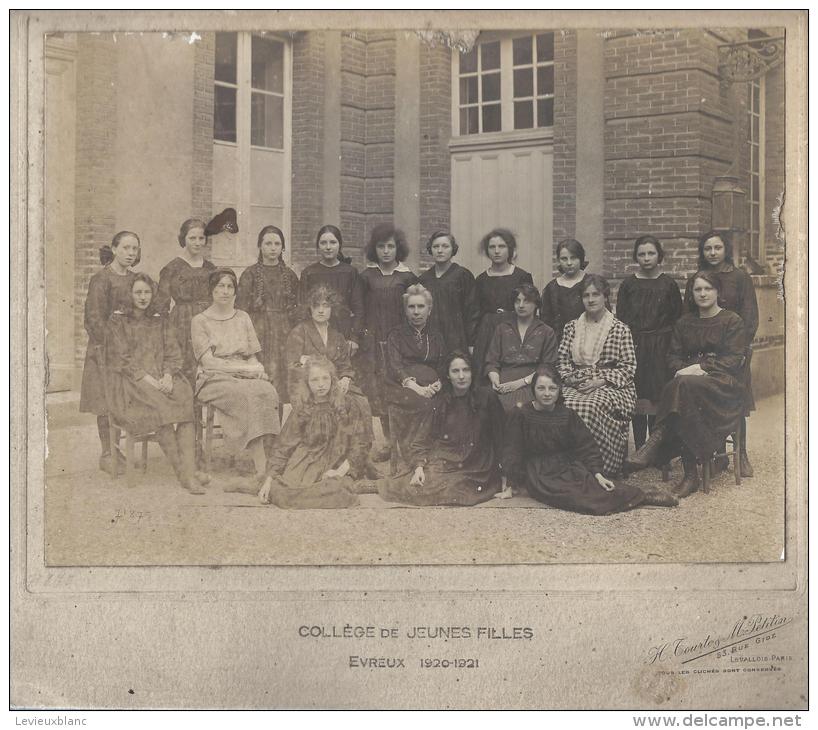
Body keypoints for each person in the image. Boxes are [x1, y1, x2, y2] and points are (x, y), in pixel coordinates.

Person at [625, 271, 747, 498]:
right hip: (689, 387)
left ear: (718, 291)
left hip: (722, 387)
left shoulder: (732, 320)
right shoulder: (684, 323)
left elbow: (734, 358)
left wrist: (701, 368)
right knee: (683, 390)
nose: (702, 294)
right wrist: (685, 370)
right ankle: (689, 474)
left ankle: (661, 445)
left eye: (707, 289)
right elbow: (672, 356)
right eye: (697, 289)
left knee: (681, 388)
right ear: (691, 294)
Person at [503, 365, 677, 514]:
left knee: (594, 485)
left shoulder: (567, 414)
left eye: (552, 388)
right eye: (541, 388)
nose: (547, 394)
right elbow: (513, 450)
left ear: (559, 390)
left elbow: (586, 445)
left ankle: (642, 494)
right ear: (533, 389)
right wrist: (511, 483)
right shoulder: (521, 414)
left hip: (566, 466)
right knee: (573, 497)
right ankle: (640, 497)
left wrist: (597, 473)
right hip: (540, 473)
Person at [105, 274, 205, 494]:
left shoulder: (160, 320)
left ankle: (189, 469)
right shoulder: (117, 321)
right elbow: (121, 358)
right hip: (131, 383)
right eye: (138, 292)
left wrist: (168, 375)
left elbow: (173, 352)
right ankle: (185, 475)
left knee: (185, 399)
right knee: (161, 408)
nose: (143, 297)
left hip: (161, 378)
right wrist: (147, 379)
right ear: (129, 294)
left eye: (147, 292)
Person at [377, 351, 506, 506]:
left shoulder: (487, 398)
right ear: (448, 376)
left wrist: (506, 474)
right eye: (455, 371)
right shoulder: (441, 402)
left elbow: (502, 437)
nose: (461, 376)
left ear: (472, 373)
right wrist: (419, 467)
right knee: (420, 483)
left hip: (477, 465)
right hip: (447, 460)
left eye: (466, 370)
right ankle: (378, 486)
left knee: (455, 489)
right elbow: (422, 439)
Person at [190, 268, 281, 486]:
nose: (225, 291)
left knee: (268, 391)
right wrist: (245, 371)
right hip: (213, 377)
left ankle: (274, 460)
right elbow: (208, 362)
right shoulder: (200, 321)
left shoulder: (243, 317)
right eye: (220, 286)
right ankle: (262, 468)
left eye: (230, 286)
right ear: (211, 290)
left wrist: (257, 369)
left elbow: (251, 356)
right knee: (245, 394)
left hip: (244, 371)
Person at [683, 230, 758, 476]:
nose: (712, 253)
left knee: (735, 400)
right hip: (703, 353)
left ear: (725, 250)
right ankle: (712, 453)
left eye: (717, 248)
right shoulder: (696, 279)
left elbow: (750, 317)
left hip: (732, 352)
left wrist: (737, 349)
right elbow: (688, 316)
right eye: (707, 249)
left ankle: (741, 453)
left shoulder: (739, 277)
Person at [257, 357, 376, 509]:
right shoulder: (303, 407)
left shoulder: (347, 404)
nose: (321, 384)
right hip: (307, 460)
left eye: (325, 378)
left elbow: (360, 443)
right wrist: (269, 481)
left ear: (333, 379)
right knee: (284, 491)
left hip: (336, 462)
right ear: (307, 383)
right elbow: (284, 445)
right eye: (314, 380)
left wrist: (340, 472)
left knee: (337, 491)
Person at [286, 285, 377, 477]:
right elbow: (292, 365)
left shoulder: (337, 336)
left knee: (360, 403)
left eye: (325, 306)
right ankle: (329, 458)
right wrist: (310, 366)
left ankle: (360, 458)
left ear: (331, 309)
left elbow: (345, 365)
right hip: (309, 386)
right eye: (316, 305)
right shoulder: (299, 332)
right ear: (309, 309)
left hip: (334, 384)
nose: (321, 310)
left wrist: (345, 378)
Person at [558, 274, 637, 477]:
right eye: (586, 295)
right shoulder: (571, 327)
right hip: (577, 384)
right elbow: (562, 361)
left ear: (605, 297)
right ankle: (567, 467)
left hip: (612, 385)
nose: (591, 299)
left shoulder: (619, 329)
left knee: (589, 406)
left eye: (596, 294)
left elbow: (628, 367)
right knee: (561, 404)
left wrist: (599, 380)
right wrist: (569, 379)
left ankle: (600, 468)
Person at [79, 230, 140, 475]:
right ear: (114, 249)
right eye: (125, 248)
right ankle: (108, 452)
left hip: (133, 351)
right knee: (105, 401)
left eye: (134, 249)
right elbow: (93, 318)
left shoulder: (137, 279)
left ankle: (124, 449)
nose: (130, 253)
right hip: (104, 350)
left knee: (127, 398)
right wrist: (112, 346)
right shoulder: (101, 279)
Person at [615, 235, 684, 449]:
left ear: (659, 255)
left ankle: (654, 448)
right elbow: (622, 317)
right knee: (637, 394)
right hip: (634, 344)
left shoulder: (668, 284)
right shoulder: (628, 284)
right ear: (636, 256)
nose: (646, 258)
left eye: (651, 253)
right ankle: (639, 446)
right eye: (642, 254)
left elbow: (676, 318)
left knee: (657, 395)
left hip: (661, 346)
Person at [358, 223, 419, 420]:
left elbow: (415, 308)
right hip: (372, 339)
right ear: (374, 249)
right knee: (375, 384)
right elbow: (359, 309)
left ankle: (398, 438)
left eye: (390, 246)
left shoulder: (407, 277)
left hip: (398, 338)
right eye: (381, 246)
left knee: (398, 381)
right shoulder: (366, 276)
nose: (386, 251)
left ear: (398, 248)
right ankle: (382, 438)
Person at [236, 225, 299, 400]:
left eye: (277, 244)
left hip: (284, 334)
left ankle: (276, 427)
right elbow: (241, 311)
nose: (273, 248)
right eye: (268, 243)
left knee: (281, 379)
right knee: (260, 379)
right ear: (260, 246)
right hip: (258, 333)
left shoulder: (290, 275)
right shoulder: (249, 274)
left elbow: (296, 310)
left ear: (282, 247)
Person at [383, 284, 446, 462]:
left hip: (432, 387)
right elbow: (395, 366)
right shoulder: (396, 334)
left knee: (446, 403)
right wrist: (417, 388)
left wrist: (437, 384)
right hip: (402, 387)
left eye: (421, 306)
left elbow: (443, 363)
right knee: (427, 404)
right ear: (405, 310)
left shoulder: (436, 335)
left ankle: (436, 455)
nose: (416, 312)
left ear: (429, 309)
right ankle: (415, 456)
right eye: (411, 307)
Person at [156, 218, 217, 384]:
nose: (197, 243)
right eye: (192, 238)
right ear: (183, 239)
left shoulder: (211, 268)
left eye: (201, 238)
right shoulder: (172, 268)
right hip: (182, 323)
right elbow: (161, 305)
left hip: (207, 322)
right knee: (184, 368)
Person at [472, 228, 534, 381]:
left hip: (514, 329)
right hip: (487, 333)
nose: (497, 251)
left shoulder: (522, 276)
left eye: (502, 246)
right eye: (492, 247)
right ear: (487, 251)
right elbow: (474, 313)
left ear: (510, 249)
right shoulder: (480, 280)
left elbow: (531, 308)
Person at [485, 284, 558, 412]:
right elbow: (492, 361)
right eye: (517, 301)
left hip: (532, 384)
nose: (521, 305)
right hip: (504, 382)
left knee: (521, 410)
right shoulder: (502, 328)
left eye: (526, 301)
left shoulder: (547, 332)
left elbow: (547, 367)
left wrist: (519, 384)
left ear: (536, 304)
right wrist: (495, 380)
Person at [298, 224, 364, 357]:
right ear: (318, 246)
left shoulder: (350, 272)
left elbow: (359, 308)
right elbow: (303, 308)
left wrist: (354, 338)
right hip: (316, 332)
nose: (328, 247)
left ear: (340, 245)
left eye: (333, 242)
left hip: (343, 331)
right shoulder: (309, 273)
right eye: (323, 243)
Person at [418, 231, 479, 355]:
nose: (440, 250)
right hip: (430, 338)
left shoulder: (463, 275)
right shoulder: (424, 279)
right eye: (436, 247)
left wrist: (471, 343)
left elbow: (472, 311)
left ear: (453, 249)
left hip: (456, 339)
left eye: (445, 246)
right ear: (431, 249)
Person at [541, 238, 590, 341]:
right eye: (564, 259)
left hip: (588, 341)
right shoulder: (551, 288)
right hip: (559, 344)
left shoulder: (591, 283)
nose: (569, 263)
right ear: (558, 260)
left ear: (581, 259)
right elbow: (545, 322)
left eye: (573, 258)